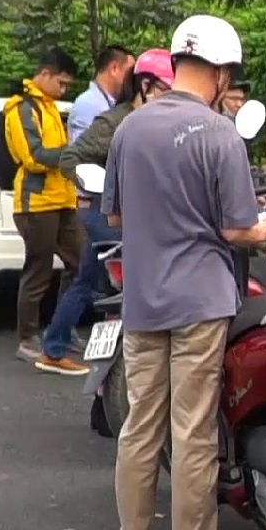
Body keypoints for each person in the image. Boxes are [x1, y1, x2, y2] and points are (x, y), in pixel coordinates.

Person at [105, 15, 266, 530]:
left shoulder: (129, 130)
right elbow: (239, 229)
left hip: (142, 300)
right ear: (220, 71)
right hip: (200, 303)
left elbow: (114, 215)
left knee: (140, 427)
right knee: (193, 429)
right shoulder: (219, 134)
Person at [35, 49, 175, 376]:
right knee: (138, 283)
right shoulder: (115, 122)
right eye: (167, 91)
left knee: (85, 282)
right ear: (145, 86)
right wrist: (107, 189)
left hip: (145, 218)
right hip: (107, 215)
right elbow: (71, 159)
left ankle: (57, 347)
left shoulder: (166, 121)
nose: (171, 99)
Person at [5, 47, 83, 363]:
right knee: (38, 272)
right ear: (45, 74)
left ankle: (62, 328)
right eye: (61, 83)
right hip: (35, 204)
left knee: (80, 265)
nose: (63, 90)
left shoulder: (49, 107)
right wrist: (71, 154)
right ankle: (27, 338)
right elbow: (34, 156)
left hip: (63, 199)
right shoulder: (21, 108)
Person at [67, 47, 135, 142]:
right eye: (129, 73)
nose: (132, 80)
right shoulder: (88, 104)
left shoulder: (109, 103)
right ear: (114, 68)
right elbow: (81, 153)